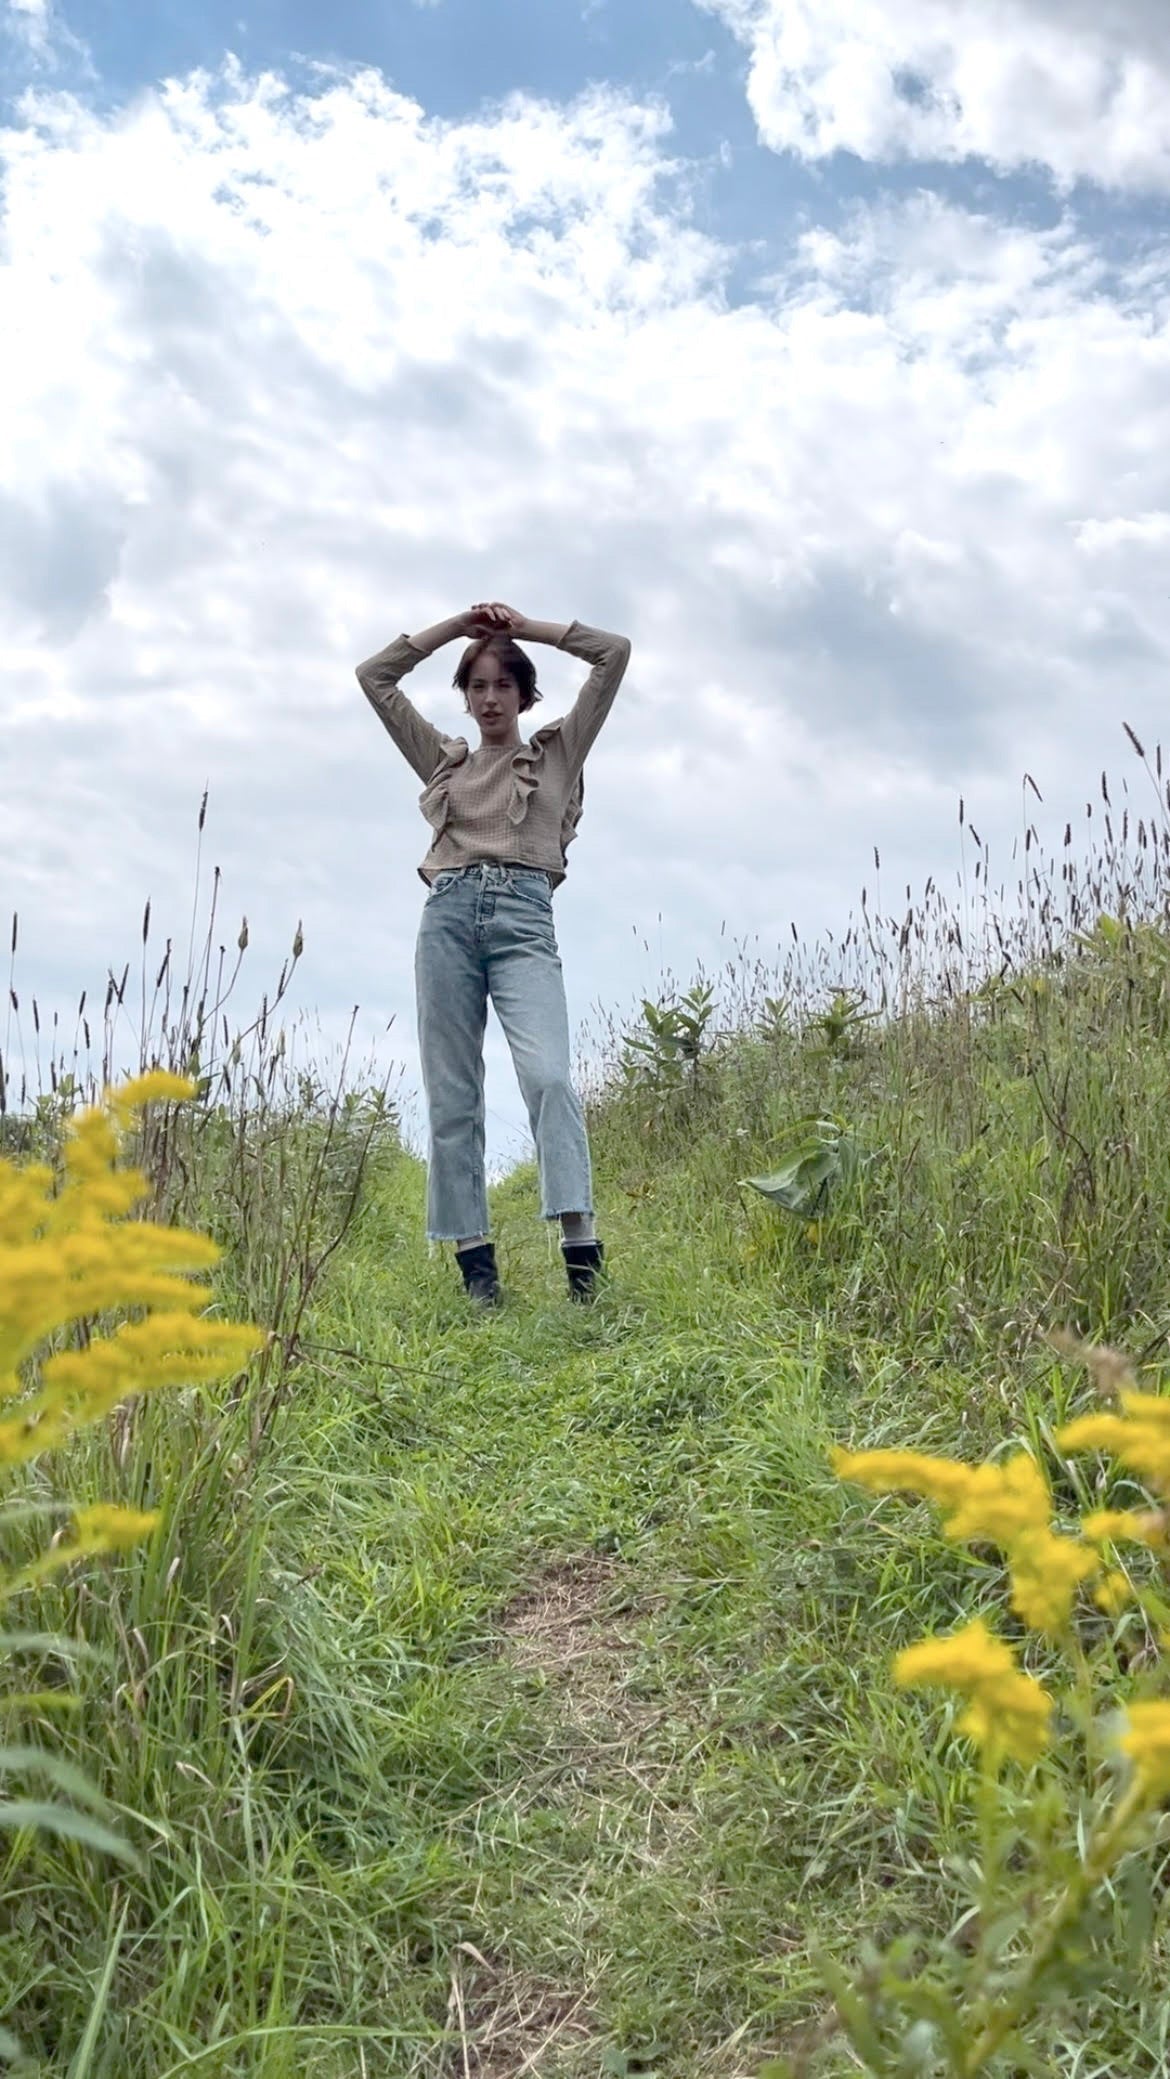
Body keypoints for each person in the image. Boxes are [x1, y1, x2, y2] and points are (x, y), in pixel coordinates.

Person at [355, 601, 632, 1308]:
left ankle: (582, 1258)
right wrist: (455, 628)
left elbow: (613, 653)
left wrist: (518, 628)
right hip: (446, 916)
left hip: (522, 916)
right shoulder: (445, 763)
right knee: (453, 1095)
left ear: (523, 693)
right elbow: (375, 677)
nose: (487, 699)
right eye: (476, 685)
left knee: (548, 1077)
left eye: (501, 684)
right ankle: (477, 1271)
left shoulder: (557, 753)